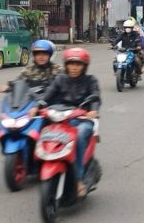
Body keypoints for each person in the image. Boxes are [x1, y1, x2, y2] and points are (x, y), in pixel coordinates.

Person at [31, 48, 101, 197]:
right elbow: (48, 95)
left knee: (81, 134)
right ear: (66, 65)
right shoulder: (60, 79)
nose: (74, 67)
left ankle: (79, 179)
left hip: (82, 119)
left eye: (78, 64)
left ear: (84, 66)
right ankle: (37, 167)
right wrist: (38, 107)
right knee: (40, 129)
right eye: (71, 64)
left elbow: (95, 96)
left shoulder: (90, 80)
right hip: (61, 117)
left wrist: (93, 111)